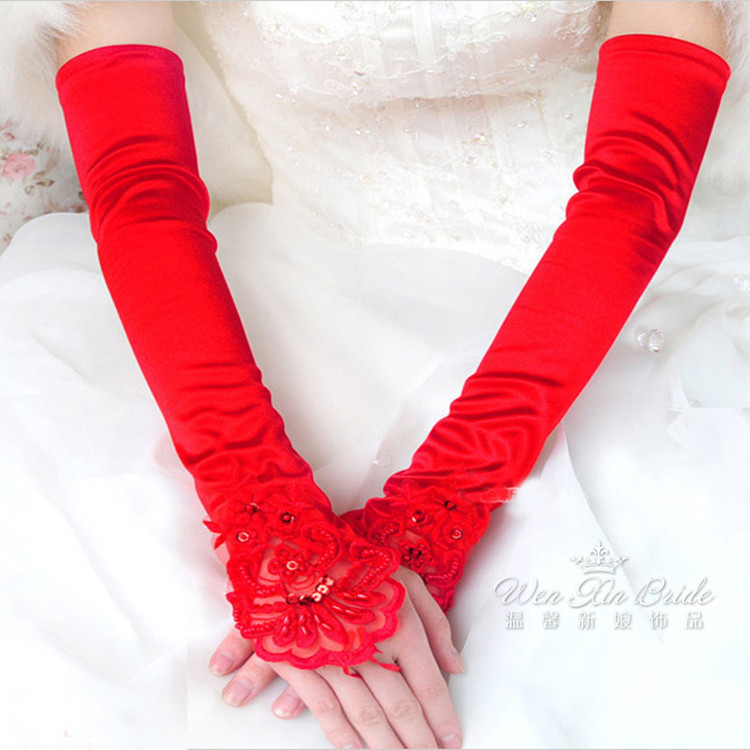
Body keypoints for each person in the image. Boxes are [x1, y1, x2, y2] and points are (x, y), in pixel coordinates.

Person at [1, 2, 749, 749]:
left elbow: (637, 183)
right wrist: (265, 516)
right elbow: (139, 181)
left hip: (596, 310)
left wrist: (438, 506)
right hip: (263, 306)